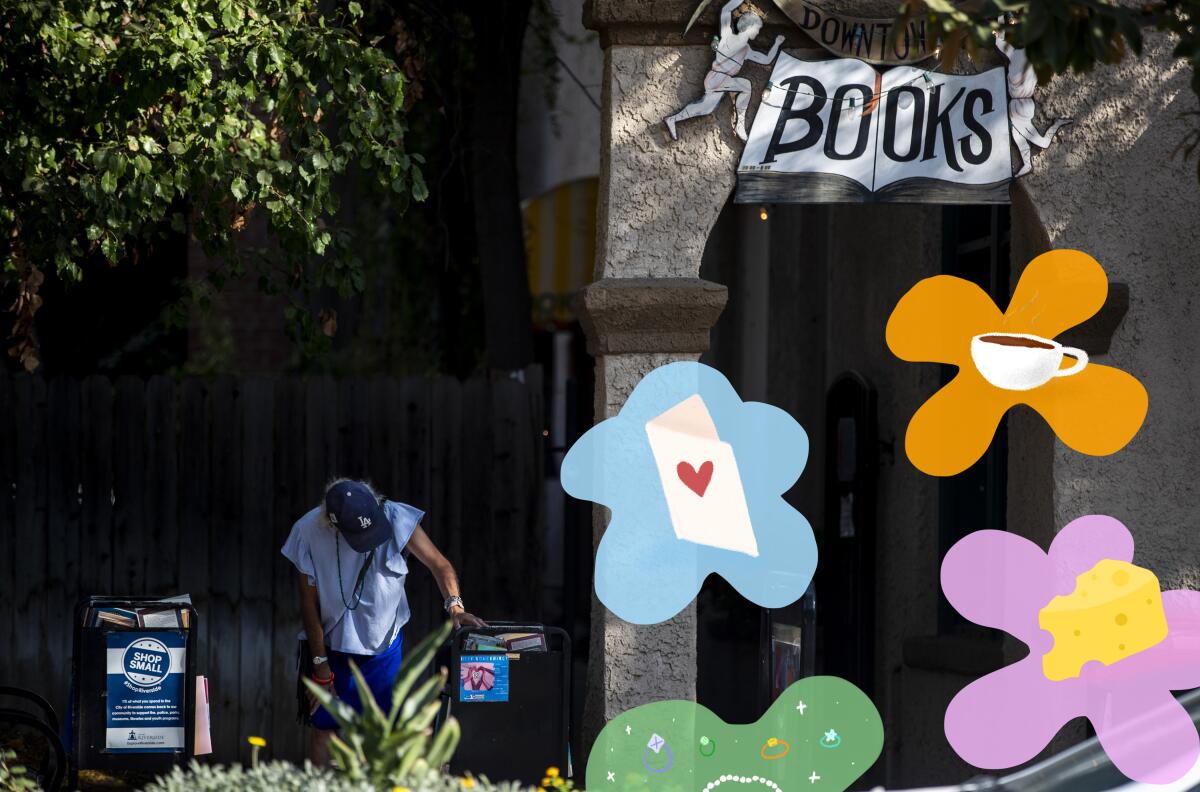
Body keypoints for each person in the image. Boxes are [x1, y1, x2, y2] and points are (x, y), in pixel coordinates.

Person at [282, 478, 486, 764]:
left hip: (384, 649)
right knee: (323, 731)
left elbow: (439, 565)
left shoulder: (396, 516)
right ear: (333, 525)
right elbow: (309, 605)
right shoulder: (307, 531)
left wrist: (455, 606)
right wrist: (320, 665)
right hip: (331, 649)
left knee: (382, 736)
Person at [664, 0, 784, 141]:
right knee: (746, 86)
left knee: (705, 108)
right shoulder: (727, 35)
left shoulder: (746, 50)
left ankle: (673, 119)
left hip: (720, 80)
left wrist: (777, 44)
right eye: (757, 28)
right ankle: (740, 126)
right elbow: (726, 10)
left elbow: (766, 60)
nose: (758, 32)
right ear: (749, 26)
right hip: (717, 77)